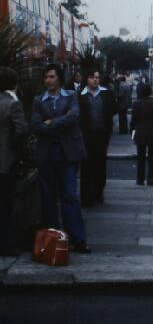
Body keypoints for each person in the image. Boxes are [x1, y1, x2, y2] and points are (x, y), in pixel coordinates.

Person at [31, 64, 91, 253]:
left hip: (68, 153)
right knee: (48, 197)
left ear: (59, 79)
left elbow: (73, 117)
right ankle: (54, 239)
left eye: (51, 77)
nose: (47, 80)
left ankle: (78, 239)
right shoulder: (38, 100)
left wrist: (50, 123)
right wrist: (58, 123)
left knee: (70, 196)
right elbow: (35, 125)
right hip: (47, 153)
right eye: (46, 77)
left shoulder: (71, 96)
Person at [78, 70, 117, 206]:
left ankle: (98, 193)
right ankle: (86, 197)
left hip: (102, 135)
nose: (95, 80)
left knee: (100, 164)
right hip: (86, 136)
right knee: (86, 165)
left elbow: (113, 109)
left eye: (97, 77)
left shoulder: (106, 94)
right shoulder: (80, 95)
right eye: (92, 77)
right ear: (86, 79)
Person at [0, 67, 28, 256]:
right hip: (5, 161)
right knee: (6, 205)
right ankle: (7, 245)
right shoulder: (13, 104)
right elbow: (22, 131)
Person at [130, 84, 153, 187]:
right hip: (152, 134)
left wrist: (131, 130)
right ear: (150, 92)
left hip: (140, 134)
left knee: (140, 157)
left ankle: (140, 179)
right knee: (152, 158)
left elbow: (133, 121)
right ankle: (151, 179)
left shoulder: (136, 104)